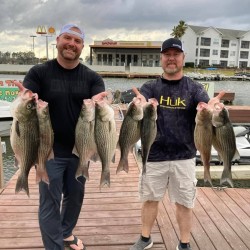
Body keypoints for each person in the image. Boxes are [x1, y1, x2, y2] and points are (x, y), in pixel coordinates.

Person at [130, 38, 225, 250]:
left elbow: (206, 104)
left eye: (176, 55)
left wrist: (212, 106)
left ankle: (184, 243)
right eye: (167, 55)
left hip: (185, 156)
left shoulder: (194, 88)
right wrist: (138, 103)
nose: (171, 59)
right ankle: (145, 238)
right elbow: (140, 101)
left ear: (183, 58)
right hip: (154, 155)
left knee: (184, 202)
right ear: (161, 59)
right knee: (150, 199)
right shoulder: (151, 86)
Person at [22, 23, 107, 250]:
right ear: (58, 40)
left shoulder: (92, 78)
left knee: (75, 198)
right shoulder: (39, 72)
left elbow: (99, 107)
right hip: (48, 151)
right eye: (67, 38)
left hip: (81, 150)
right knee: (49, 203)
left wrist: (102, 104)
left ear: (82, 47)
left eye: (77, 41)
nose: (72, 44)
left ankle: (67, 232)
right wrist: (28, 97)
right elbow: (27, 96)